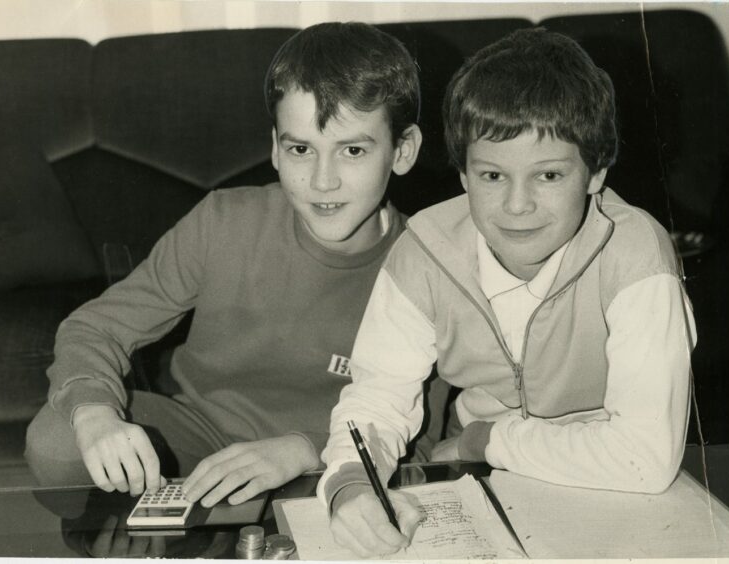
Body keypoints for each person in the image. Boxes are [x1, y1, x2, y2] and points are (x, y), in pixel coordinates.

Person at [24, 21, 438, 510]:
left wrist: (307, 449)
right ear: (274, 149)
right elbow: (97, 327)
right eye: (300, 148)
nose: (323, 181)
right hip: (199, 435)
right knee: (57, 441)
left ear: (403, 150)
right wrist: (94, 413)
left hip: (336, 458)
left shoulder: (431, 262)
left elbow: (425, 435)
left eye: (352, 150)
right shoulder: (224, 220)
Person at [317, 27, 697, 557]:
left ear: (595, 174)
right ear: (464, 175)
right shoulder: (424, 251)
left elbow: (644, 459)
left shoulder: (637, 257)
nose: (517, 206)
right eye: (492, 174)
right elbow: (377, 398)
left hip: (619, 493)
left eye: (547, 176)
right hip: (484, 482)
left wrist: (489, 439)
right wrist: (351, 484)